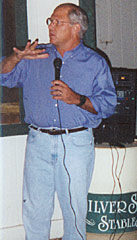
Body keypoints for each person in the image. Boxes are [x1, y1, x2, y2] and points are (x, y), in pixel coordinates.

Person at [0, 3, 117, 240]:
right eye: (49, 21)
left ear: (76, 28)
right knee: (35, 209)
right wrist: (16, 57)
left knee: (74, 209)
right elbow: (4, 75)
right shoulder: (36, 55)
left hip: (75, 143)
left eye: (57, 22)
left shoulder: (95, 63)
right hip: (38, 142)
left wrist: (78, 99)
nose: (50, 26)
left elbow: (108, 104)